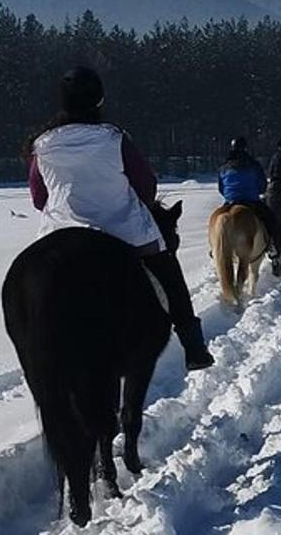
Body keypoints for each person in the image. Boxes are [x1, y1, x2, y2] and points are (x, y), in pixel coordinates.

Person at [28, 67, 214, 371]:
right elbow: (146, 187)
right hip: (123, 231)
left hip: (60, 235)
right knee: (167, 271)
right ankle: (193, 345)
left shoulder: (42, 145)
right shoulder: (114, 138)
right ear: (99, 100)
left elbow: (38, 198)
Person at [217, 136, 279, 255]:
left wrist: (230, 195)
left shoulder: (223, 167)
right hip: (251, 200)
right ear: (245, 148)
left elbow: (221, 188)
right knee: (270, 219)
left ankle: (214, 249)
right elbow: (262, 186)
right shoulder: (254, 165)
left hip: (231, 201)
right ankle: (272, 245)